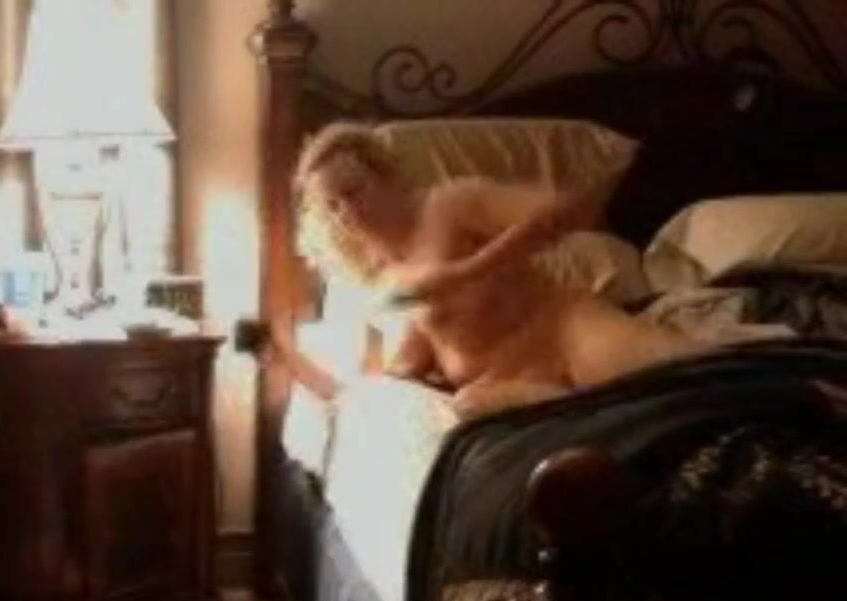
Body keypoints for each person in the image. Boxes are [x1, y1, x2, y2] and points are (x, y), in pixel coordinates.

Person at [276, 122, 700, 419]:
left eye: (354, 191)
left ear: (383, 175)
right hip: (501, 385)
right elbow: (395, 376)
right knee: (468, 406)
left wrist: (472, 268)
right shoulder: (379, 282)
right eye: (333, 207)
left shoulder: (451, 205)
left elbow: (555, 214)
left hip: (563, 332)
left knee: (684, 377)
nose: (348, 212)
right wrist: (295, 362)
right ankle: (572, 403)